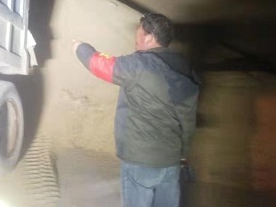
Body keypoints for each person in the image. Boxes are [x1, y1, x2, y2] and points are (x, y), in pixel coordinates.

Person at [72, 13, 200, 207]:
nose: (136, 38)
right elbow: (188, 120)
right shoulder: (183, 67)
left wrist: (79, 47)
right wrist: (182, 154)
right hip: (171, 161)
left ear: (149, 37)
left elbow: (100, 65)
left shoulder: (140, 64)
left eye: (138, 33)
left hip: (141, 161)